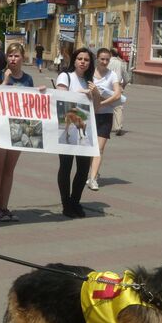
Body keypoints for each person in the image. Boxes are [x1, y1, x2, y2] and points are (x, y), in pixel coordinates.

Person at [0, 42, 46, 221]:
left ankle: (5, 206)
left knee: (9, 169)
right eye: (10, 56)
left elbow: (30, 103)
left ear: (22, 57)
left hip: (19, 127)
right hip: (0, 127)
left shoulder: (27, 79)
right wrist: (5, 81)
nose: (13, 59)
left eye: (16, 56)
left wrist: (39, 93)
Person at [56, 47, 101, 218]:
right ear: (74, 60)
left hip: (85, 129)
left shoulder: (90, 81)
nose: (83, 62)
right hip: (67, 127)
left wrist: (95, 94)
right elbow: (60, 99)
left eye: (87, 59)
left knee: (83, 169)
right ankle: (66, 203)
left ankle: (76, 201)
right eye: (80, 58)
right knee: (66, 167)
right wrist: (80, 94)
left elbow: (96, 109)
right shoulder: (65, 77)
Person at [87, 47, 122, 191]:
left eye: (107, 59)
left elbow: (117, 94)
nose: (105, 62)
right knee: (90, 148)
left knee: (99, 149)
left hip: (105, 115)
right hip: (89, 114)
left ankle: (93, 178)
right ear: (97, 59)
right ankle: (92, 172)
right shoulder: (89, 74)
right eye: (102, 59)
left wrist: (101, 103)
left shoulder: (112, 75)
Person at [108, 48, 127, 135]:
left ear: (110, 54)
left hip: (107, 86)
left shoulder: (106, 62)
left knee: (104, 105)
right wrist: (123, 86)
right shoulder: (121, 63)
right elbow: (126, 77)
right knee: (118, 107)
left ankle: (103, 125)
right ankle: (118, 126)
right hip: (118, 86)